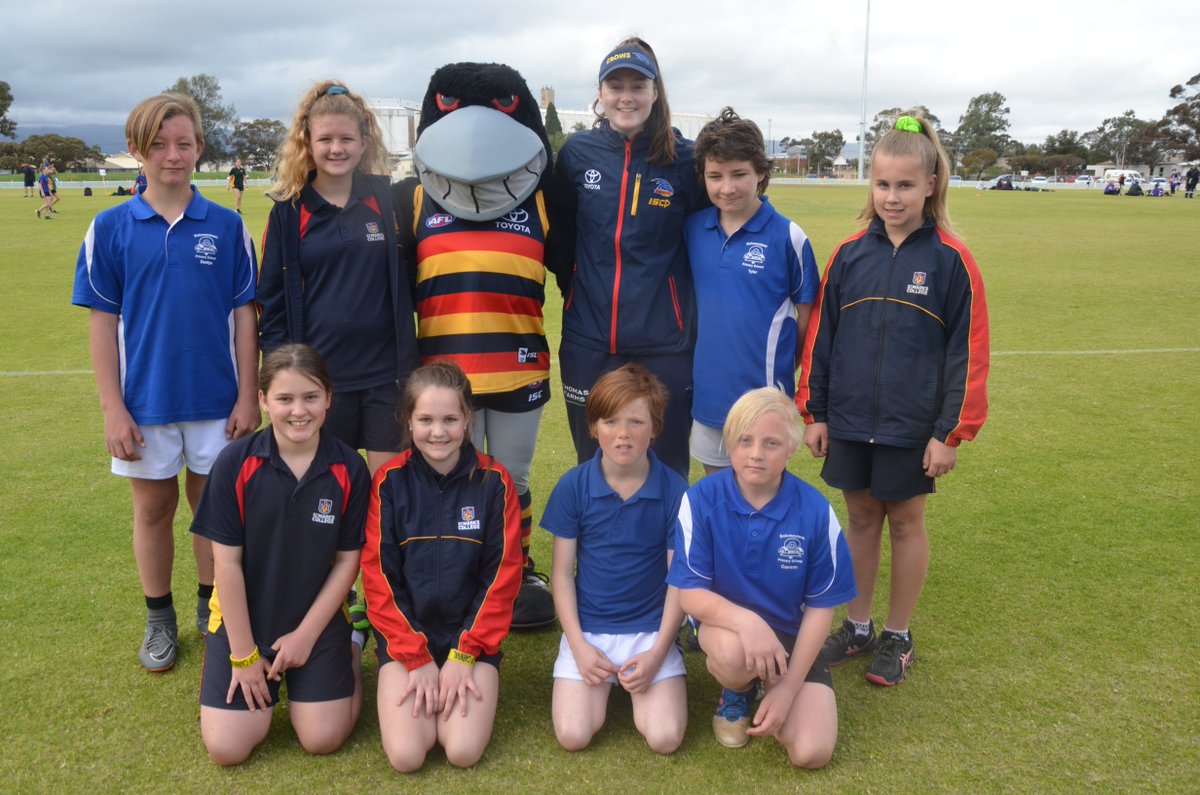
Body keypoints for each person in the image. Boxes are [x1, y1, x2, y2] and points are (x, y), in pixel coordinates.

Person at [798, 115, 990, 687]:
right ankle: (858, 625)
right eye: (882, 184)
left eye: (905, 185)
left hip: (913, 426)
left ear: (931, 184)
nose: (892, 196)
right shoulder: (849, 254)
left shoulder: (953, 261)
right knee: (859, 516)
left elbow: (968, 352)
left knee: (905, 523)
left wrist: (949, 432)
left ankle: (898, 635)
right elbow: (820, 342)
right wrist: (817, 411)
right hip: (852, 418)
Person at [71, 92, 259, 672]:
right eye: (158, 145)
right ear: (136, 151)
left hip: (217, 401)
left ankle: (214, 610)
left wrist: (249, 395)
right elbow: (103, 324)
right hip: (145, 402)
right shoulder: (109, 228)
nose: (172, 155)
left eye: (183, 144)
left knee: (214, 509)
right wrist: (112, 409)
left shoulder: (228, 226)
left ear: (200, 149)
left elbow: (246, 316)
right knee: (153, 509)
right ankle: (159, 617)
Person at [191, 344, 368, 765]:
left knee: (322, 738)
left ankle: (353, 644)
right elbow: (226, 564)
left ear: (329, 397)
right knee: (227, 748)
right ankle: (259, 671)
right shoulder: (235, 462)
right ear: (264, 400)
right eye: (285, 399)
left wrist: (306, 636)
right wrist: (244, 655)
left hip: (317, 621)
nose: (298, 411)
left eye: (310, 397)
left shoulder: (349, 468)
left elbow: (347, 562)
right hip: (245, 623)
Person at [668, 388, 856, 767]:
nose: (755, 453)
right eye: (745, 440)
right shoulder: (700, 500)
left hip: (790, 634)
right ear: (728, 444)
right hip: (726, 628)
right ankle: (738, 689)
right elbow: (689, 594)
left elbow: (821, 608)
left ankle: (774, 682)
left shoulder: (816, 511)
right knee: (736, 656)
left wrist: (787, 691)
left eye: (771, 443)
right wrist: (747, 622)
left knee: (811, 752)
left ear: (791, 448)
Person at [548, 37, 707, 478]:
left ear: (656, 92)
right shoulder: (578, 154)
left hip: (666, 344)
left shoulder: (686, 161)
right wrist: (578, 287)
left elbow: (708, 241)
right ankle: (598, 550)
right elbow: (560, 236)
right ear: (600, 94)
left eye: (637, 85)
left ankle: (672, 550)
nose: (626, 96)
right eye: (615, 86)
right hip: (589, 341)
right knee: (594, 467)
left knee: (668, 467)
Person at [361, 361, 523, 772]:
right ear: (408, 421)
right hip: (405, 642)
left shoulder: (495, 483)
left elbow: (502, 578)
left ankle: (458, 678)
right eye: (426, 419)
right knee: (407, 755)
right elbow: (379, 580)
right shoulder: (387, 482)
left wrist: (464, 654)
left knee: (461, 750)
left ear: (468, 419)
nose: (438, 432)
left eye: (450, 419)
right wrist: (414, 657)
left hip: (469, 641)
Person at [258, 80, 419, 476]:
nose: (336, 148)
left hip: (387, 380)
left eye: (347, 138)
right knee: (329, 497)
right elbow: (271, 304)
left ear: (364, 142)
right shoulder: (288, 212)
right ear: (307, 143)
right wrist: (285, 378)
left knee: (389, 494)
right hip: (319, 384)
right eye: (325, 138)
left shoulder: (388, 200)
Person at [542, 364, 688, 754]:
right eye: (610, 421)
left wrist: (658, 652)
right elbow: (561, 574)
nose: (623, 434)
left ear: (655, 428)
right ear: (593, 427)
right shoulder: (573, 486)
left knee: (665, 738)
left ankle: (652, 678)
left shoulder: (675, 490)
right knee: (573, 736)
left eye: (636, 422)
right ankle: (594, 675)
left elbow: (680, 579)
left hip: (651, 632)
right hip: (588, 632)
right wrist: (578, 645)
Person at [685, 107, 820, 475]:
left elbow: (808, 314)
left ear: (761, 172)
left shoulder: (788, 236)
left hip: (765, 400)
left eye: (739, 174)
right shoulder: (692, 229)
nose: (727, 187)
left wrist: (785, 369)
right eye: (715, 176)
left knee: (763, 497)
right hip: (709, 396)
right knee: (718, 494)